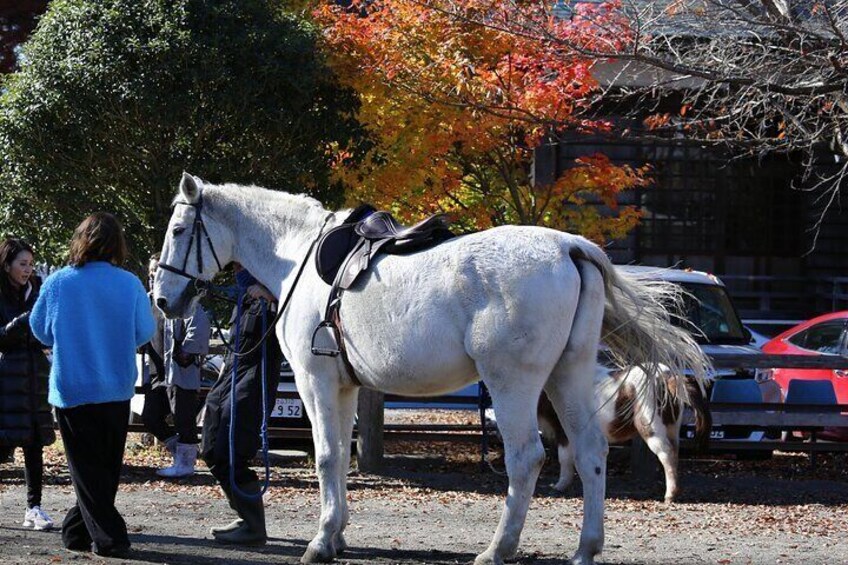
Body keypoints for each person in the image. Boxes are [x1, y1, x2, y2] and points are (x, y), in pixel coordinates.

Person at [30, 212, 155, 557]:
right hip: (115, 387)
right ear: (117, 244)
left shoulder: (58, 283)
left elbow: (39, 329)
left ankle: (81, 532)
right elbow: (145, 332)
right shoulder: (129, 283)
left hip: (73, 388)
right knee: (106, 469)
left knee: (87, 470)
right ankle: (104, 536)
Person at [201, 263, 282, 545]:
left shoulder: (277, 294)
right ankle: (244, 514)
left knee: (232, 449)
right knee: (210, 446)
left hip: (254, 379)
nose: (235, 268)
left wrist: (273, 295)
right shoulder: (244, 294)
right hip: (231, 374)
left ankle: (254, 526)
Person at [0, 238, 56, 531]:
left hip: (34, 379)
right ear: (7, 264)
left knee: (34, 446)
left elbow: (45, 334)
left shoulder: (38, 291)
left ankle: (34, 507)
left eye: (30, 264)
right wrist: (19, 324)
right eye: (22, 264)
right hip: (5, 380)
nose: (27, 269)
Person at [142, 254, 210, 478]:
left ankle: (186, 464)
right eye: (151, 273)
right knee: (151, 417)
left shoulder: (182, 298)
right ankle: (179, 453)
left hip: (180, 370)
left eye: (157, 272)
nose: (153, 277)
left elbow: (200, 322)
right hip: (155, 370)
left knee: (184, 418)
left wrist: (187, 351)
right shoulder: (145, 301)